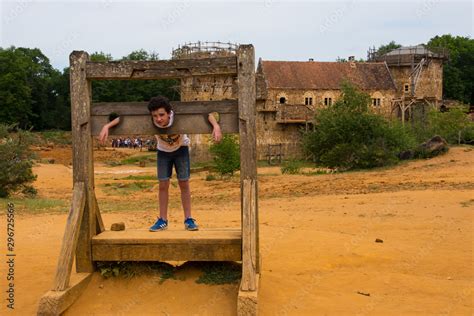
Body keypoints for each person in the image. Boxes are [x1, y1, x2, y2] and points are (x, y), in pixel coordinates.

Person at [98, 96, 222, 231]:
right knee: (163, 184)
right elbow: (123, 118)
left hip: (181, 148)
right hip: (163, 151)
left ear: (169, 113)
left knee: (184, 183)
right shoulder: (152, 120)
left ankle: (188, 219)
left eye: (162, 115)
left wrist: (216, 125)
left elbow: (206, 112)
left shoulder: (177, 117)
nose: (158, 119)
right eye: (155, 116)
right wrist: (106, 125)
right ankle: (162, 220)